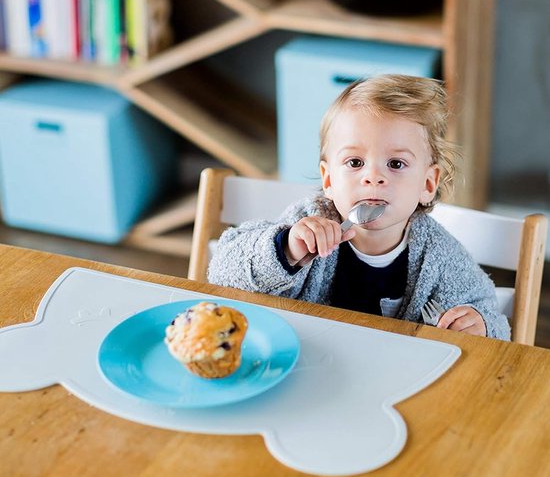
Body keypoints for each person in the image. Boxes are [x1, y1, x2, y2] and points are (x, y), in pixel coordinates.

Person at [208, 74, 510, 340]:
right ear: (328, 179)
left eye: (396, 163)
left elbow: (495, 321)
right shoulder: (307, 222)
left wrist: (480, 326)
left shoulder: (441, 258)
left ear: (427, 185)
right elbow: (221, 270)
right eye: (355, 162)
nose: (373, 177)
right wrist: (286, 249)